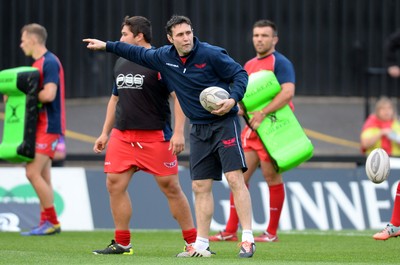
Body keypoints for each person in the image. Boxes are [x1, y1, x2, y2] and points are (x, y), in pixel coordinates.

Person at [84, 15, 256, 258]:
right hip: (198, 128)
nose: (186, 38)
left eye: (188, 33)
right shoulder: (164, 57)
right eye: (180, 35)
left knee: (235, 179)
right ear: (170, 38)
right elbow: (135, 53)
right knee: (199, 186)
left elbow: (240, 74)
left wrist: (233, 99)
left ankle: (247, 239)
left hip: (223, 124)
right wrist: (107, 45)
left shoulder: (210, 54)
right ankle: (201, 245)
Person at [91, 16, 197, 255]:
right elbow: (114, 99)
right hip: (122, 135)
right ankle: (122, 242)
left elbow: (179, 98)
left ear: (139, 36)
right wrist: (105, 132)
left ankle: (193, 243)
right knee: (114, 184)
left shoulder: (162, 61)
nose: (120, 39)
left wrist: (179, 132)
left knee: (170, 187)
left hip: (156, 136)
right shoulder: (121, 61)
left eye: (124, 35)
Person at [209, 20, 295, 243]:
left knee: (271, 176)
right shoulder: (248, 65)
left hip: (271, 127)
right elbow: (245, 100)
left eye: (265, 35)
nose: (259, 39)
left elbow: (287, 92)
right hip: (252, 129)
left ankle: (271, 233)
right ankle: (229, 230)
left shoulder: (280, 62)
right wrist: (229, 108)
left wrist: (263, 112)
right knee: (238, 176)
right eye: (256, 35)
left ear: (274, 39)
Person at [19, 23, 66, 235]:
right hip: (40, 126)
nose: (21, 45)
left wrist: (22, 97)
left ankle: (53, 222)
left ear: (33, 39)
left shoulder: (48, 62)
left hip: (48, 126)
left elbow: (49, 95)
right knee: (43, 176)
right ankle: (45, 222)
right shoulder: (39, 63)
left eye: (23, 39)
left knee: (32, 172)